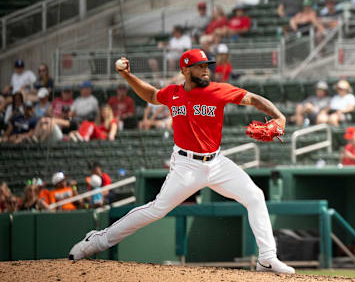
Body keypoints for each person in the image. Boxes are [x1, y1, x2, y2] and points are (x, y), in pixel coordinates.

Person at [69, 49, 295, 274]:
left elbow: (254, 99)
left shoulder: (219, 90)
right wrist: (128, 76)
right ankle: (97, 240)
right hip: (186, 165)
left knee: (255, 196)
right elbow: (151, 95)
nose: (206, 70)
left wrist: (280, 117)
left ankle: (266, 258)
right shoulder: (173, 93)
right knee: (156, 210)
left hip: (217, 163)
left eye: (207, 65)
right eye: (200, 66)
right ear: (185, 69)